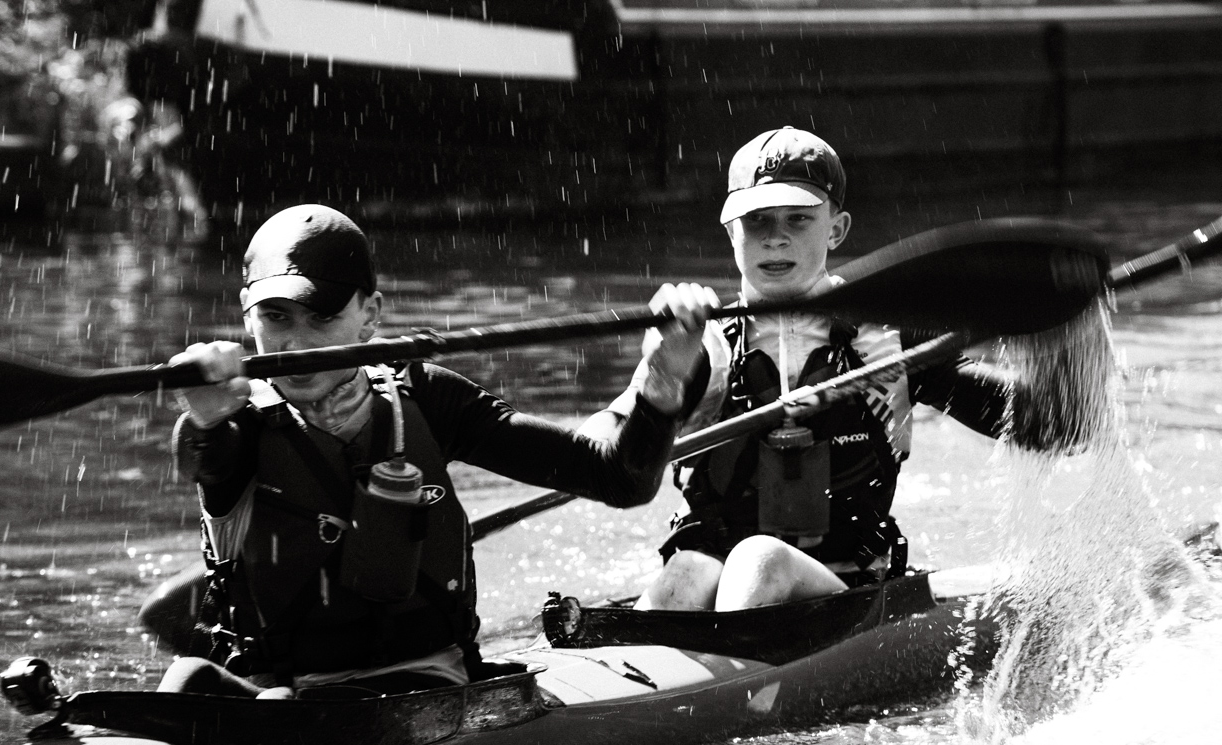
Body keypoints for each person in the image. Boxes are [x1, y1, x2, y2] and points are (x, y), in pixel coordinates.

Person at [156, 204, 705, 698]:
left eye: (322, 317)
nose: (296, 344)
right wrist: (204, 417)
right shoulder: (233, 426)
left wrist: (662, 380)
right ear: (246, 313)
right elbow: (207, 456)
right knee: (188, 680)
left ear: (371, 314)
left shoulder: (427, 397)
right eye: (276, 317)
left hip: (427, 688)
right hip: (281, 702)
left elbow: (618, 479)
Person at [585, 126, 1023, 613]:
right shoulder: (699, 345)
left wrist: (1066, 359)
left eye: (797, 218)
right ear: (731, 232)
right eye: (756, 220)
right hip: (718, 587)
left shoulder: (890, 339)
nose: (775, 238)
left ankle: (736, 656)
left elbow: (1031, 420)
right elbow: (600, 453)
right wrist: (659, 375)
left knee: (761, 559)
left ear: (836, 229)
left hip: (849, 593)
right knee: (686, 570)